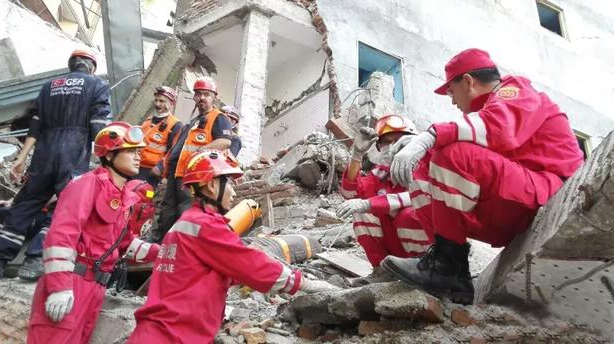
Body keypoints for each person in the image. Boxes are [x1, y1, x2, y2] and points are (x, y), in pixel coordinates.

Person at [382, 48, 584, 304]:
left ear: (468, 81)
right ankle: (452, 271)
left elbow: (496, 128)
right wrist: (422, 146)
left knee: (450, 152)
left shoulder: (516, 90)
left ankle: (446, 266)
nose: (452, 101)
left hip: (548, 191)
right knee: (426, 161)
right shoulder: (491, 108)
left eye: (451, 92)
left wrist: (429, 135)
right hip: (512, 201)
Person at [127, 150, 337, 343]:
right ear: (210, 185)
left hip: (156, 332)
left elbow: (217, 271)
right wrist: (301, 283)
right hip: (173, 335)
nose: (234, 193)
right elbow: (249, 265)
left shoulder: (185, 223)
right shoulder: (206, 226)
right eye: (228, 183)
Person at [0, 49, 112, 280]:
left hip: (44, 153)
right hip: (72, 154)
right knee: (64, 207)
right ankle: (34, 260)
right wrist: (105, 162)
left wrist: (21, 159)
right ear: (91, 66)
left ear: (72, 64)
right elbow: (98, 125)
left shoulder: (49, 87)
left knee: (24, 205)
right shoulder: (96, 85)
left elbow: (35, 126)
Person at [26, 122, 160, 344]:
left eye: (138, 151)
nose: (138, 156)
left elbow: (124, 243)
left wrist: (164, 253)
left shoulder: (122, 195)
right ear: (109, 154)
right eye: (130, 151)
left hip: (95, 289)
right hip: (73, 281)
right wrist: (59, 287)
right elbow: (60, 236)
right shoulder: (87, 185)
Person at [336, 115, 432, 280]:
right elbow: (349, 194)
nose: (391, 146)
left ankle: (427, 271)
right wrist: (356, 155)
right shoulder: (381, 174)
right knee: (361, 212)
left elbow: (418, 197)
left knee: (407, 215)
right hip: (395, 246)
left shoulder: (426, 166)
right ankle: (383, 271)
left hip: (432, 247)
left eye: (397, 140)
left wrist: (372, 203)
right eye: (386, 142)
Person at [153, 77, 233, 242]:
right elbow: (177, 150)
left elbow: (225, 141)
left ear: (214, 97)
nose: (202, 98)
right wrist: (164, 169)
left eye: (206, 94)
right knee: (167, 211)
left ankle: (184, 246)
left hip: (194, 176)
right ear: (194, 97)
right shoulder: (192, 123)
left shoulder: (219, 118)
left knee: (186, 211)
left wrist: (200, 153)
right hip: (177, 174)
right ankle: (161, 246)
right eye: (198, 94)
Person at [0, 198, 52, 281]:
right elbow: (31, 192)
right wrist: (13, 201)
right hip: (30, 203)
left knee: (6, 212)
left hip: (45, 211)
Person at [134, 86, 183, 187]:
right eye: (156, 100)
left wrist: (161, 168)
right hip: (137, 166)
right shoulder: (148, 120)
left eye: (162, 101)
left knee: (146, 198)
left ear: (171, 103)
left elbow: (173, 152)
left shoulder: (175, 125)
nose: (157, 104)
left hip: (153, 171)